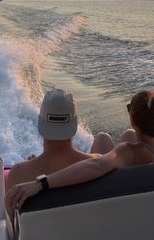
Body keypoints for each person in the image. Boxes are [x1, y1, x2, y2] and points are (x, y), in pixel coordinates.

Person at [6, 90, 154, 212]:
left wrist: (40, 182)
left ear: (133, 121)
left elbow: (96, 166)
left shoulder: (17, 174)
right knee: (105, 138)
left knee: (104, 138)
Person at [5, 88, 98, 219]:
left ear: (40, 122)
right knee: (102, 138)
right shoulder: (96, 165)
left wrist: (32, 164)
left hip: (38, 239)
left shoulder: (18, 173)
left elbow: (10, 225)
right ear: (75, 124)